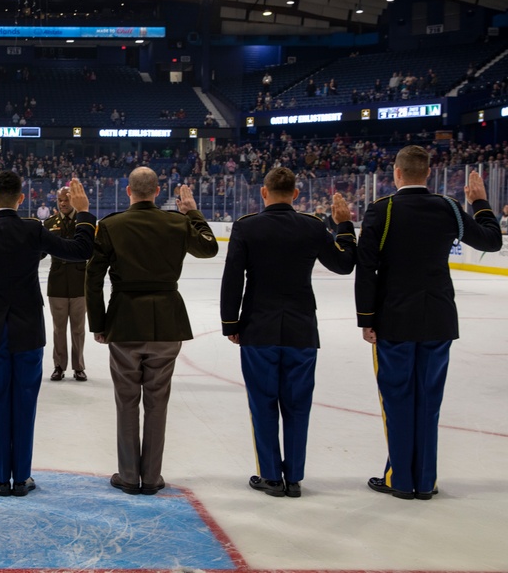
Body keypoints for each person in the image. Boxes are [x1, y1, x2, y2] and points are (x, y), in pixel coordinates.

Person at [356, 146, 502, 500]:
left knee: (398, 401)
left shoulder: (383, 210)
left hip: (395, 320)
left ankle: (400, 480)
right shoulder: (449, 208)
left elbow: (367, 270)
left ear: (397, 173)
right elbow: (491, 240)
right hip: (437, 319)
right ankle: (426, 480)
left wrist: (366, 318)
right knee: (428, 402)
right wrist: (480, 202)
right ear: (428, 173)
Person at [219, 168, 356, 498]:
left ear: (264, 193)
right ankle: (293, 477)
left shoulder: (247, 227)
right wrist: (345, 225)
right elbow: (344, 264)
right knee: (297, 405)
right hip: (301, 328)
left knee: (263, 403)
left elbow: (233, 278)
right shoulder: (312, 226)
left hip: (258, 327)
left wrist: (230, 323)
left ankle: (270, 476)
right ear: (296, 194)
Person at [0, 173, 96, 497]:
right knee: (25, 403)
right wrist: (85, 213)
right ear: (21, 199)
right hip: (29, 328)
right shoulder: (35, 229)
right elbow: (81, 250)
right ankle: (21, 478)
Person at [86, 168, 217, 496]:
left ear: (128, 191)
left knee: (127, 400)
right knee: (157, 401)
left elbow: (93, 278)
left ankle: (129, 475)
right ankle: (152, 477)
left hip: (125, 320)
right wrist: (192, 213)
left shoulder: (111, 226)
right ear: (158, 191)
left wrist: (99, 324)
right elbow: (209, 248)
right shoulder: (177, 222)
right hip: (166, 321)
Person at [42, 186, 88, 382]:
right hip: (58, 283)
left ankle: (78, 367)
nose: (63, 203)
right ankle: (59, 366)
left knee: (78, 329)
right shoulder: (49, 223)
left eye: (67, 199)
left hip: (80, 283)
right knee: (59, 328)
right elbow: (40, 252)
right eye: (60, 200)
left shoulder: (84, 222)